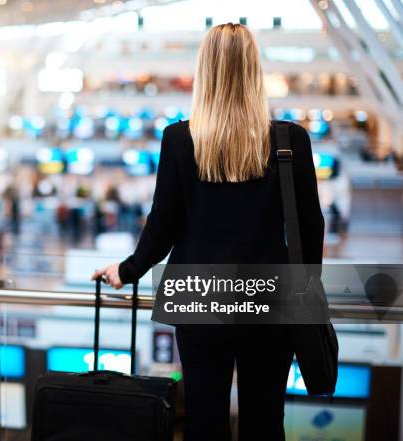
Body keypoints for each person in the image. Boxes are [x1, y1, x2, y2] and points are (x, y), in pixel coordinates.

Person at [92, 23, 324, 441]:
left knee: (203, 421)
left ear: (206, 70)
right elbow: (311, 228)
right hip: (270, 299)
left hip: (199, 297)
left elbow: (163, 224)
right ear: (254, 70)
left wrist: (127, 271)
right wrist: (306, 290)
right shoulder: (290, 141)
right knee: (265, 422)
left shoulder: (180, 140)